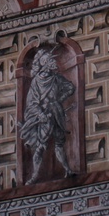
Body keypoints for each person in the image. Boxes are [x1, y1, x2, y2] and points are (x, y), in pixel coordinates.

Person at [21, 48, 75, 184]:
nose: (53, 62)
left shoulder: (56, 78)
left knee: (59, 143)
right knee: (40, 146)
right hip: (45, 116)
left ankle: (67, 169)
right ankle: (34, 175)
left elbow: (70, 87)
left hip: (56, 113)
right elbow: (31, 103)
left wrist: (59, 100)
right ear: (44, 63)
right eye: (50, 60)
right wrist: (41, 114)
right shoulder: (36, 82)